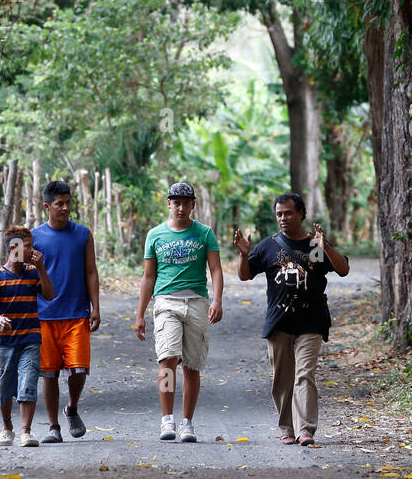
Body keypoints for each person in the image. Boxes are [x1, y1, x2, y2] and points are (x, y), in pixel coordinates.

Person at [234, 191, 349, 446]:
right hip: (279, 321)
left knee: (304, 374)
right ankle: (286, 427)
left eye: (288, 213)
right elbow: (245, 275)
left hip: (312, 320)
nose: (283, 218)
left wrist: (325, 245)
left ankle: (305, 429)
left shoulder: (314, 246)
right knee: (282, 379)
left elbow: (342, 269)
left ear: (301, 214)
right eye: (279, 214)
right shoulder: (267, 246)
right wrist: (244, 254)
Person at [134, 181, 223, 443]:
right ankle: (167, 420)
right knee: (167, 362)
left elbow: (216, 270)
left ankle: (187, 423)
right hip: (166, 303)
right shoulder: (155, 235)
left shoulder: (205, 233)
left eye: (186, 203)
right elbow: (148, 277)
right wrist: (140, 314)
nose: (181, 208)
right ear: (169, 204)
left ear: (193, 205)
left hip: (196, 303)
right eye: (176, 203)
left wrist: (216, 300)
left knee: (192, 366)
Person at [30, 180, 100, 443]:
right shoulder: (33, 237)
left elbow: (91, 272)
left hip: (76, 313)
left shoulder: (83, 234)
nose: (65, 208)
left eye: (68, 202)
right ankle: (53, 426)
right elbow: (19, 273)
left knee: (79, 370)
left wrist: (95, 307)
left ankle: (71, 407)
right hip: (44, 316)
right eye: (59, 204)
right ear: (47, 207)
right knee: (49, 373)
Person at [0, 226, 56, 447]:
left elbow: (50, 294)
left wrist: (41, 267)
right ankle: (7, 428)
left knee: (28, 383)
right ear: (14, 248)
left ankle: (26, 431)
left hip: (30, 340)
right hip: (5, 342)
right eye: (27, 246)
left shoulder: (33, 272)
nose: (32, 249)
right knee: (4, 385)